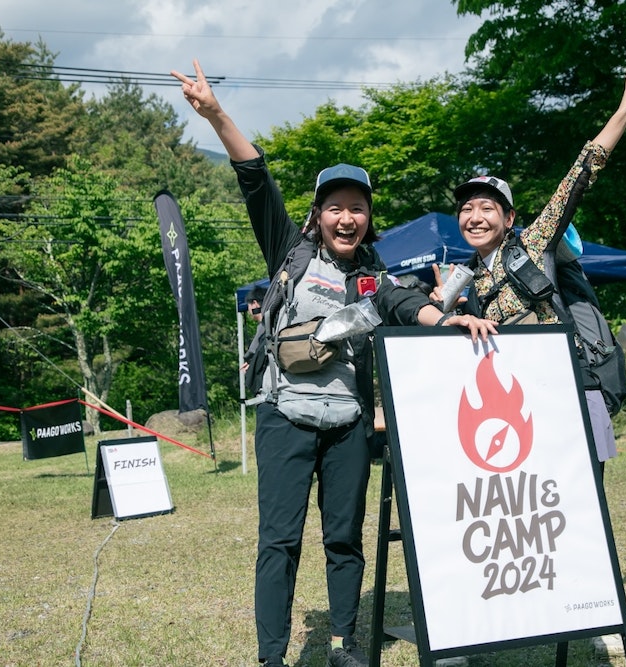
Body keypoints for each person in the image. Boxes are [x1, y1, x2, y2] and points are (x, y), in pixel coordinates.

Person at [172, 59, 497, 667]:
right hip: (284, 418)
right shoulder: (289, 255)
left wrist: (447, 318)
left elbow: (406, 306)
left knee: (345, 541)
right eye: (336, 207)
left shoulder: (375, 278)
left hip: (349, 425)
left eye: (358, 208)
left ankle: (345, 646)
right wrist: (215, 113)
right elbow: (254, 178)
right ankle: (273, 658)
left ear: (368, 217)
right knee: (280, 541)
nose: (348, 218)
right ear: (318, 216)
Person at [434, 73, 626, 471]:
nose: (475, 217)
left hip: (571, 385)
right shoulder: (464, 278)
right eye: (467, 209)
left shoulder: (533, 244)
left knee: (586, 494)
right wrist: (446, 312)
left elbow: (579, 177)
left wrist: (623, 114)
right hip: (521, 402)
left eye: (487, 208)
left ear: (509, 218)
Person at [242, 284, 267, 397]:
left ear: (255, 304)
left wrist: (250, 363)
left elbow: (252, 352)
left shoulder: (263, 326)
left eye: (248, 305)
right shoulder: (278, 321)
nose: (248, 310)